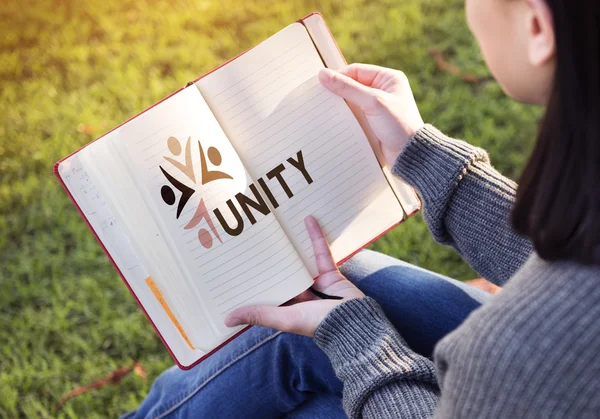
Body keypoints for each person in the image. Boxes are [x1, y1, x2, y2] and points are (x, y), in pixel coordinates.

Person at [125, 0, 599, 417]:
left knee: (304, 346)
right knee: (329, 289)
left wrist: (359, 340)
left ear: (537, 27)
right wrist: (425, 156)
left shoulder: (519, 348)